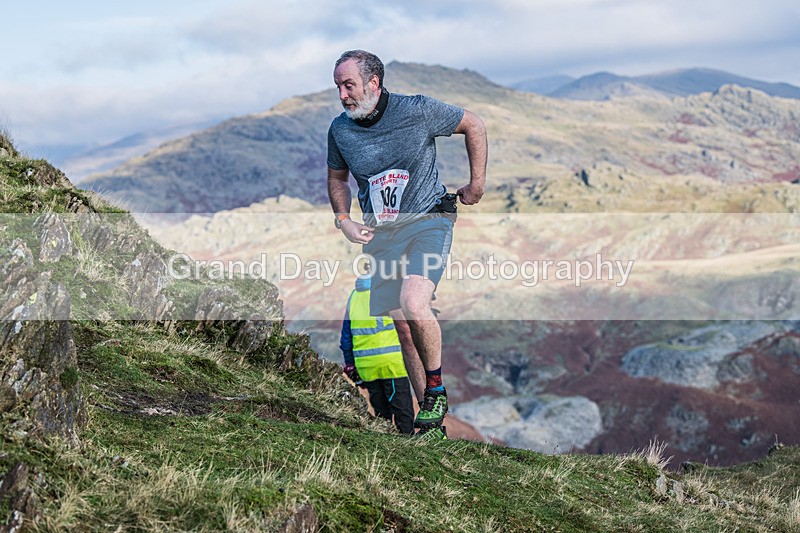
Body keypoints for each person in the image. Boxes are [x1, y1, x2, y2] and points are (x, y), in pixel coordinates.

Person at [327, 50, 487, 438]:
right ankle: (431, 426)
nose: (343, 95)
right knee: (401, 328)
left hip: (428, 221)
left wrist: (476, 184)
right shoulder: (340, 130)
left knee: (415, 303)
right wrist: (344, 220)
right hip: (383, 236)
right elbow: (337, 179)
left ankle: (435, 392)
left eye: (349, 86)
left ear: (374, 83)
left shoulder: (416, 110)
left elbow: (474, 125)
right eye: (338, 88)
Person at [340, 276, 415, 435]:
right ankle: (410, 446)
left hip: (366, 366)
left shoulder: (353, 297)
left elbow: (346, 338)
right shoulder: (390, 293)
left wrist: (350, 366)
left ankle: (384, 448)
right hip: (392, 363)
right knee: (402, 410)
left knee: (381, 414)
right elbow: (407, 328)